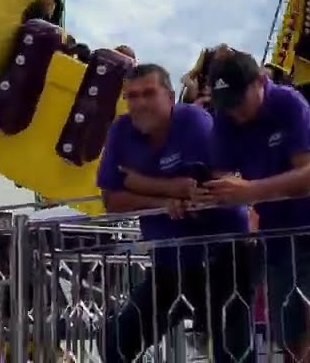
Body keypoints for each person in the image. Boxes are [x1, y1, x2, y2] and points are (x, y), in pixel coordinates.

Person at [96, 63, 254, 362]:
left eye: (148, 93)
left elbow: (207, 184)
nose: (139, 103)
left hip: (223, 258)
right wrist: (166, 196)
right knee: (116, 341)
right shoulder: (121, 130)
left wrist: (138, 182)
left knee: (232, 353)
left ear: (170, 97)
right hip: (170, 264)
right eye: (132, 96)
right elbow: (112, 200)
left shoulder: (193, 121)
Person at [201, 51, 310, 360]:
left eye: (238, 101)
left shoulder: (287, 103)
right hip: (274, 236)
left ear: (260, 82)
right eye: (226, 104)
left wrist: (249, 191)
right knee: (289, 331)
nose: (234, 112)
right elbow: (220, 177)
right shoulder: (226, 116)